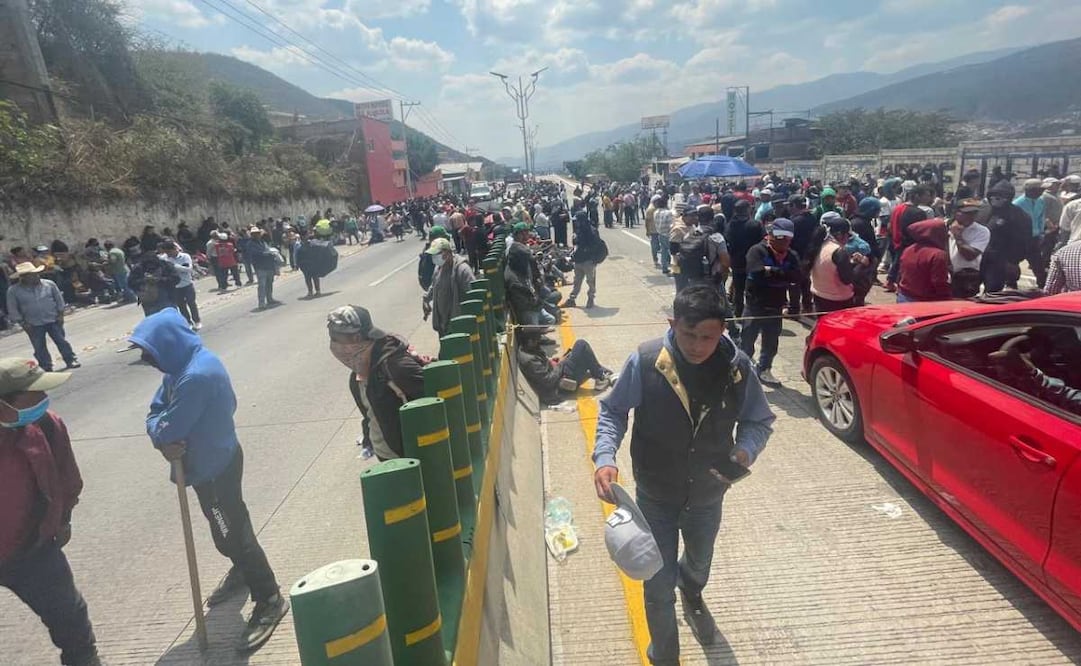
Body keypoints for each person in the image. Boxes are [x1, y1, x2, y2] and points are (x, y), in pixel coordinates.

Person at [592, 285, 775, 666]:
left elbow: (759, 421)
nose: (697, 345)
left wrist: (745, 450)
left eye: (708, 337)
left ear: (723, 329)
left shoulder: (738, 368)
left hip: (708, 494)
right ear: (672, 323)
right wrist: (605, 456)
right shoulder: (646, 361)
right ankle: (665, 655)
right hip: (654, 495)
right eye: (688, 334)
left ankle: (693, 593)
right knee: (657, 587)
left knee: (699, 559)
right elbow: (612, 411)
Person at [129, 309, 288, 651]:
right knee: (226, 530)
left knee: (232, 533)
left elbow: (169, 426)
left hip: (213, 468)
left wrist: (160, 431)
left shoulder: (195, 376)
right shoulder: (182, 366)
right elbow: (157, 409)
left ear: (168, 344)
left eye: (152, 353)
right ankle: (242, 570)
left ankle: (269, 596)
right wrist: (160, 427)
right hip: (212, 461)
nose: (150, 362)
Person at [0, 359, 101, 666]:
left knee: (71, 620)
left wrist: (64, 519)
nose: (45, 399)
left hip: (33, 550)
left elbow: (68, 478)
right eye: (36, 393)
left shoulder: (46, 425)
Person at [327, 306, 426, 461]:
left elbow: (437, 398)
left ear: (356, 337)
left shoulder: (396, 366)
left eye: (336, 339)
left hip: (412, 459)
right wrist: (368, 439)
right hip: (387, 457)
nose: (334, 346)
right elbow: (370, 415)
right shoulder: (356, 377)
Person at [742, 218, 801, 386]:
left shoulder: (792, 255)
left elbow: (797, 277)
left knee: (771, 340)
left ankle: (765, 368)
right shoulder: (757, 251)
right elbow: (756, 271)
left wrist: (771, 272)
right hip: (755, 303)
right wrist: (781, 273)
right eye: (779, 237)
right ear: (770, 235)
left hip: (776, 304)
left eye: (787, 239)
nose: (783, 242)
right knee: (747, 336)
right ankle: (743, 367)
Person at [7, 263, 80, 372]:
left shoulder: (49, 284)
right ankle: (46, 366)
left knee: (61, 341)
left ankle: (70, 359)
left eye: (36, 274)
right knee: (39, 346)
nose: (36, 276)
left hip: (53, 319)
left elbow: (59, 300)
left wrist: (60, 314)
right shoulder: (14, 291)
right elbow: (12, 308)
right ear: (24, 277)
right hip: (32, 323)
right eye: (32, 275)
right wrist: (22, 323)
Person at [517, 329, 613, 404]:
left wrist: (556, 361)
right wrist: (561, 364)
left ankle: (600, 373)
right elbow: (549, 380)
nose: (539, 340)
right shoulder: (530, 360)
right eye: (537, 339)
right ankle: (601, 375)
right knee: (581, 345)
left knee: (581, 356)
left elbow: (544, 367)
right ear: (530, 341)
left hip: (558, 373)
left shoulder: (528, 348)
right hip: (560, 385)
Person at [808, 218, 869, 312]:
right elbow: (847, 279)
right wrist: (861, 264)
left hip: (819, 295)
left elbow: (831, 266)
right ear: (840, 235)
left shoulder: (819, 245)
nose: (848, 239)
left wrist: (851, 263)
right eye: (848, 236)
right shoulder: (839, 251)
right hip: (838, 300)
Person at [982, 180, 1032, 292]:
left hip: (1000, 260)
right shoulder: (983, 211)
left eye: (1000, 196)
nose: (995, 198)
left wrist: (1014, 261)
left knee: (993, 291)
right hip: (979, 257)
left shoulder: (1019, 215)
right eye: (993, 195)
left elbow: (1023, 241)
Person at [423, 237, 476, 336]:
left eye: (437, 254)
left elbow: (473, 295)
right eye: (433, 255)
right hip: (443, 325)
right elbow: (434, 285)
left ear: (447, 252)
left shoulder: (462, 270)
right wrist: (426, 299)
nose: (434, 257)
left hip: (459, 326)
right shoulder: (438, 268)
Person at [724, 199, 764, 318]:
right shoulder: (755, 224)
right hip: (753, 261)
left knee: (739, 288)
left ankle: (738, 312)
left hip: (736, 261)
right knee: (753, 288)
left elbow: (727, 241)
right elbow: (763, 241)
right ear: (747, 210)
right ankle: (753, 312)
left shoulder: (730, 225)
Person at [897, 219, 951, 303]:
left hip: (904, 295)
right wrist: (947, 299)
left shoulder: (909, 249)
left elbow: (901, 273)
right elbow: (939, 282)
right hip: (924, 301)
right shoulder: (938, 254)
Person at [948, 198, 991, 298]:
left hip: (966, 276)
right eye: (967, 213)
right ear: (956, 213)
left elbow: (970, 256)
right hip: (946, 274)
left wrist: (958, 237)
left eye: (974, 213)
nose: (971, 217)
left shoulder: (981, 231)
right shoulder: (944, 225)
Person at [1013, 178, 1052, 288]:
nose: (1042, 192)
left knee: (1037, 264)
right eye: (1040, 190)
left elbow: (1041, 217)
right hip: (1019, 239)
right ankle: (1011, 285)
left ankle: (1043, 285)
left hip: (1034, 238)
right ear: (1030, 190)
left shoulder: (1040, 201)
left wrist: (1041, 233)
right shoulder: (1017, 204)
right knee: (1013, 263)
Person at [159, 240, 202, 331]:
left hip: (187, 284)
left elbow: (188, 269)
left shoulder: (185, 257)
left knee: (191, 303)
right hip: (175, 286)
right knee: (181, 306)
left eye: (169, 252)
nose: (168, 254)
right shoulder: (164, 259)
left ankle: (197, 321)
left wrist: (173, 266)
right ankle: (187, 322)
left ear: (174, 249)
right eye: (166, 252)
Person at [563, 210, 602, 309]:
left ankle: (590, 299)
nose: (576, 223)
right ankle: (572, 299)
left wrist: (589, 254)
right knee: (577, 281)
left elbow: (596, 246)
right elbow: (576, 244)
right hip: (579, 261)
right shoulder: (579, 231)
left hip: (588, 261)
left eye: (578, 221)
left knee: (591, 282)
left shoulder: (592, 231)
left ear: (582, 220)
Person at [246, 228, 282, 308]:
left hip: (268, 265)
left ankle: (270, 299)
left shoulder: (263, 242)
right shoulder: (250, 244)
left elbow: (268, 249)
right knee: (262, 285)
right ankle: (261, 303)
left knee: (269, 283)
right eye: (255, 233)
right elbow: (254, 253)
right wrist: (265, 253)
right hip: (260, 266)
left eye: (258, 233)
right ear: (251, 235)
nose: (257, 235)